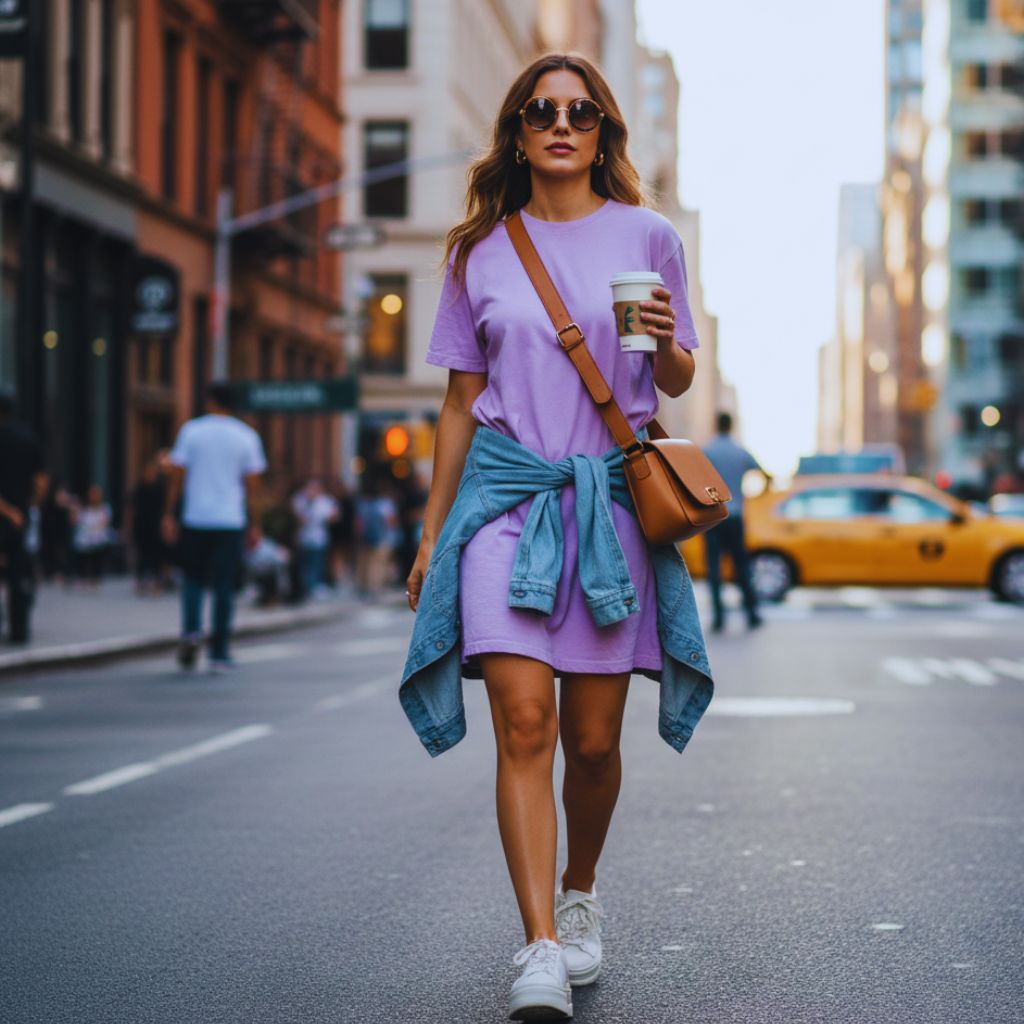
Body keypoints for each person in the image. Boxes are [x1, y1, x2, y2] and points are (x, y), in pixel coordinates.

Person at [400, 54, 713, 1021]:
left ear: (604, 131)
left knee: (591, 739)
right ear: (519, 131)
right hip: (505, 504)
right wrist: (432, 532)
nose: (562, 124)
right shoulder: (479, 251)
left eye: (581, 111)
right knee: (524, 723)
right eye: (542, 111)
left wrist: (662, 339)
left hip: (608, 512)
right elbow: (457, 403)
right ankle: (538, 943)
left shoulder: (648, 236)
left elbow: (676, 382)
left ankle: (579, 891)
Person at [163, 382, 267, 672]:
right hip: (229, 520)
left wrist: (170, 514)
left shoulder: (191, 431)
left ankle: (191, 632)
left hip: (196, 517)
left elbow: (177, 477)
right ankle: (219, 650)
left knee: (193, 580)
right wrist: (255, 524)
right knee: (224, 585)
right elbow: (253, 487)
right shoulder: (246, 436)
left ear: (210, 402)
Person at [702, 411, 770, 633]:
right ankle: (751, 614)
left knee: (714, 569)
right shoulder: (740, 452)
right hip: (736, 515)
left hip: (713, 517)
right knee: (742, 566)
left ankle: (719, 618)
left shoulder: (707, 451)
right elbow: (765, 476)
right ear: (731, 426)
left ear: (716, 425)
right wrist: (756, 498)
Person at [0, 388, 46, 643]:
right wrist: (29, 506)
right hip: (21, 514)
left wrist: (7, 511)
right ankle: (19, 629)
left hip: (5, 513)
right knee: (18, 571)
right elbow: (41, 480)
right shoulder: (28, 438)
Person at [291, 478, 339, 599]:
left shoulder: (325, 501)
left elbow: (333, 517)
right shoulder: (300, 500)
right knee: (306, 564)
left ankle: (315, 586)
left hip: (319, 537)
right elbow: (299, 518)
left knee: (318, 562)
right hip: (304, 537)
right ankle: (306, 587)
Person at [130, 456, 167, 595]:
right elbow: (132, 507)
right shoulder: (139, 487)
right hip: (141, 525)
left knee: (156, 554)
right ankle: (141, 581)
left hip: (156, 524)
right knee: (142, 553)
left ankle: (156, 582)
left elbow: (165, 506)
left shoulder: (160, 487)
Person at [72, 485, 113, 588]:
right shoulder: (83, 509)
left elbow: (105, 523)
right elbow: (74, 521)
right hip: (84, 540)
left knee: (96, 560)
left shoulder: (104, 508)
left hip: (97, 540)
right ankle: (83, 579)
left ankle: (94, 580)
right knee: (83, 560)